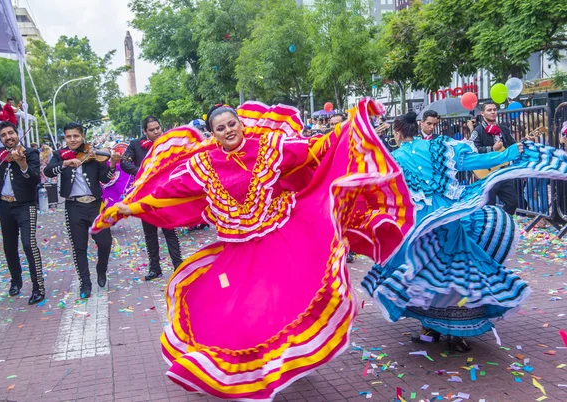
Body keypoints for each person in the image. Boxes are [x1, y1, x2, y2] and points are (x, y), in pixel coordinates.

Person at [92, 99, 415, 401]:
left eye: (232, 123)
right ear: (213, 134)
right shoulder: (203, 164)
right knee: (232, 310)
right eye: (221, 128)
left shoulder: (270, 148)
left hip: (281, 238)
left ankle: (287, 358)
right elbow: (168, 192)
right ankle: (235, 367)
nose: (229, 130)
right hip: (239, 250)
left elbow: (315, 150)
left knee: (290, 299)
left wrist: (352, 124)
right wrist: (126, 208)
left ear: (241, 124)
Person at [362, 111, 567, 352]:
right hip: (451, 216)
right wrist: (510, 153)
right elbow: (475, 162)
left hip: (421, 225)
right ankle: (457, 333)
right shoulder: (439, 148)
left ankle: (431, 330)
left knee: (425, 272)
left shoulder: (392, 159)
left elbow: (373, 190)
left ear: (397, 133)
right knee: (459, 268)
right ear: (417, 128)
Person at [0, 121, 45, 305]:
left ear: (17, 134)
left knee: (29, 244)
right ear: (0, 138)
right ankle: (16, 281)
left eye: (10, 133)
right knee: (9, 247)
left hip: (25, 206)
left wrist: (22, 163)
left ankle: (38, 287)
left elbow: (35, 179)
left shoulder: (30, 153)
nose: (8, 137)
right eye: (3, 135)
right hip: (5, 206)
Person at [44, 122, 120, 298]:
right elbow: (48, 172)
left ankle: (101, 269)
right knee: (79, 247)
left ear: (82, 137)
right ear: (65, 138)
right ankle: (85, 283)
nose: (72, 140)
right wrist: (65, 163)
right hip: (74, 206)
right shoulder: (60, 155)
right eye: (69, 136)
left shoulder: (93, 153)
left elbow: (105, 178)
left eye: (76, 136)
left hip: (95, 205)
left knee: (105, 242)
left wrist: (111, 165)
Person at [120, 116, 183, 280]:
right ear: (145, 131)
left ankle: (179, 266)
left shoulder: (168, 142)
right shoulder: (135, 145)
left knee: (170, 231)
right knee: (150, 233)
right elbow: (124, 163)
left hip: (165, 194)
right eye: (152, 130)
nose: (156, 132)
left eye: (157, 128)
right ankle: (155, 268)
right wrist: (142, 174)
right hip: (145, 196)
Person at [470, 101, 518, 214]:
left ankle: (502, 223)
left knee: (512, 202)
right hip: (487, 173)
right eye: (489, 110)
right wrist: (492, 148)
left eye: (494, 110)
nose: (493, 112)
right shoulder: (478, 131)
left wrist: (523, 143)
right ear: (482, 113)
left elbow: (512, 145)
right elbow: (473, 150)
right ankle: (490, 227)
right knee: (489, 205)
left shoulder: (504, 129)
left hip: (503, 171)